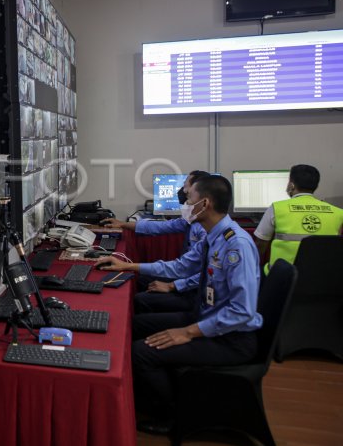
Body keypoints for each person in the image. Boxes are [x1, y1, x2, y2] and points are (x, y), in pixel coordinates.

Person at [99, 175, 262, 434]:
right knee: (136, 324)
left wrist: (186, 333)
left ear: (205, 203)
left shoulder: (236, 245)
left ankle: (174, 415)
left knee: (141, 351)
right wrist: (128, 266)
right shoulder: (214, 236)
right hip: (206, 318)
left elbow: (242, 311)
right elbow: (181, 266)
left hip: (231, 338)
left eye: (189, 199)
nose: (185, 203)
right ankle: (146, 396)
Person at [102, 171, 210, 310]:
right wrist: (123, 224)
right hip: (186, 278)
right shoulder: (192, 221)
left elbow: (190, 271)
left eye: (186, 190)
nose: (183, 194)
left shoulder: (206, 231)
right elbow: (160, 226)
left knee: (141, 301)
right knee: (141, 280)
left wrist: (173, 286)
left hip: (195, 290)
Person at [254, 164, 343, 274]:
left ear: (291, 185)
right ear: (316, 186)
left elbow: (260, 245)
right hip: (322, 279)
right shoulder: (338, 213)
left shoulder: (277, 208)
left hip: (281, 279)